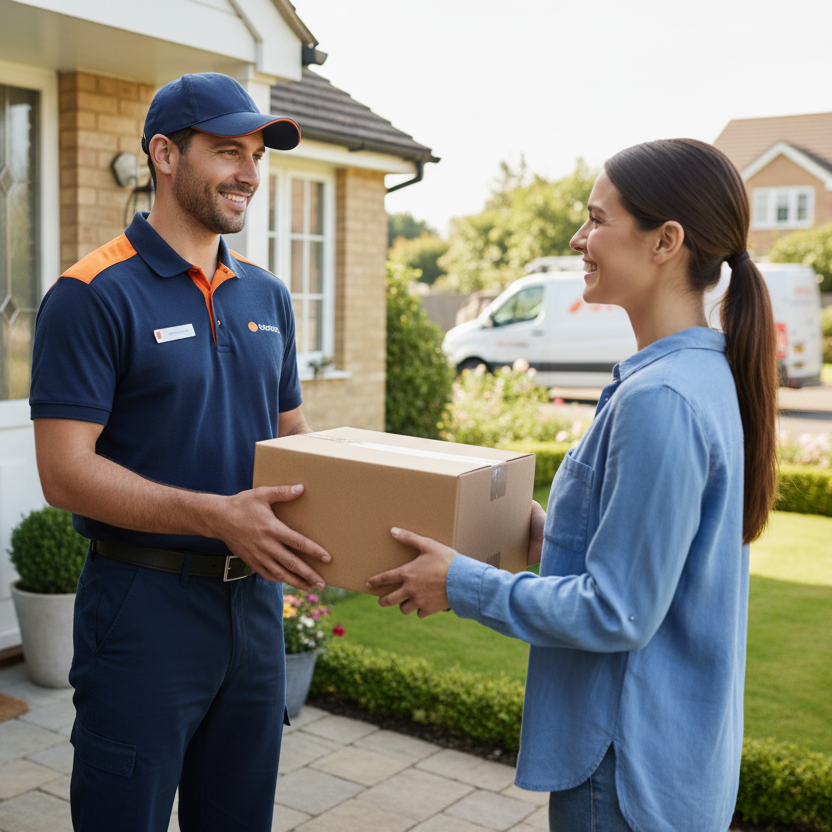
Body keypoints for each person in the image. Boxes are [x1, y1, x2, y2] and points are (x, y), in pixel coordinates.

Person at [367, 138, 778, 832]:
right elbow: (654, 565)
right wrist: (549, 539)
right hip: (668, 763)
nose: (577, 238)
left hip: (624, 770)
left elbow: (619, 612)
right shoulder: (700, 376)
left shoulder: (662, 398)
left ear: (666, 241)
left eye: (596, 219)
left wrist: (461, 584)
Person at [29, 73, 331, 832]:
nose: (249, 173)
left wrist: (364, 516)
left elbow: (292, 437)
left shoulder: (267, 295)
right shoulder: (91, 293)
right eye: (228, 151)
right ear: (165, 155)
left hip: (254, 611)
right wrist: (216, 516)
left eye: (258, 155)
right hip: (144, 608)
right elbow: (64, 473)